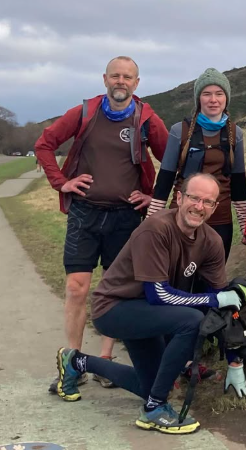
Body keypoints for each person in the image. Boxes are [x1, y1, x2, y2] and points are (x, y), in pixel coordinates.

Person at [53, 173, 246, 435]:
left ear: (215, 207)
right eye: (194, 198)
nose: (199, 206)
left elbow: (222, 309)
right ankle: (154, 410)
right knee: (192, 320)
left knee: (154, 385)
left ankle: (75, 362)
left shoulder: (212, 241)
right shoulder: (155, 228)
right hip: (114, 308)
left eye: (208, 202)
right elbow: (159, 294)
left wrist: (235, 361)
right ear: (179, 198)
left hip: (150, 313)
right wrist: (214, 298)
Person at [35, 56, 168, 390]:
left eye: (127, 77)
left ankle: (104, 361)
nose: (121, 82)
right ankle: (73, 363)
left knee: (114, 291)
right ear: (105, 79)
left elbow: (172, 160)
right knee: (76, 287)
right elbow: (44, 144)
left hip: (125, 217)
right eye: (115, 76)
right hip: (85, 213)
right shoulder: (85, 112)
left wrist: (154, 197)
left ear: (137, 83)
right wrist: (61, 182)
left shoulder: (146, 119)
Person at [149, 68, 246, 261]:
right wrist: (151, 222)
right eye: (207, 94)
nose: (213, 100)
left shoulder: (235, 133)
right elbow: (164, 180)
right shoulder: (179, 131)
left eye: (219, 94)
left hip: (220, 219)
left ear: (226, 98)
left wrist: (245, 225)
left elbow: (238, 183)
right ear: (198, 99)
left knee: (214, 274)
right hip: (182, 218)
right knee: (177, 273)